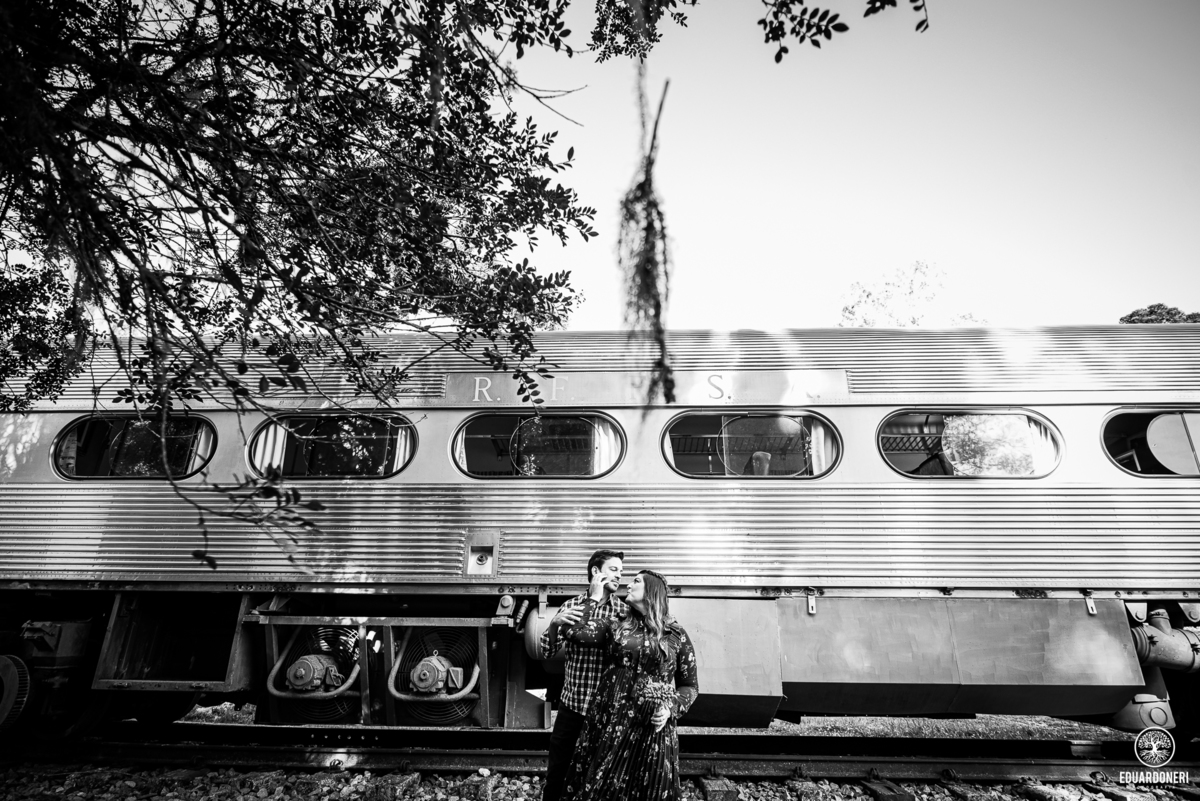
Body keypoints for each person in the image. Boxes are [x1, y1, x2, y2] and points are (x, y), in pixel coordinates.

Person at [560, 570, 699, 801]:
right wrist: (593, 599)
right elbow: (572, 632)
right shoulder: (615, 624)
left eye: (636, 581)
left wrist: (670, 708)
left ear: (652, 591)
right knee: (602, 788)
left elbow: (690, 686)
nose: (628, 585)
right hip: (611, 719)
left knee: (649, 789)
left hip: (652, 726)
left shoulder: (676, 634)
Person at [539, 549, 627, 801]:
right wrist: (554, 625)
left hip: (606, 711)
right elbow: (547, 651)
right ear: (596, 572)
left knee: (598, 776)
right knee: (557, 772)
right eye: (613, 569)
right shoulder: (571, 606)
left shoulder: (624, 612)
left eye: (621, 571)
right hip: (572, 706)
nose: (619, 575)